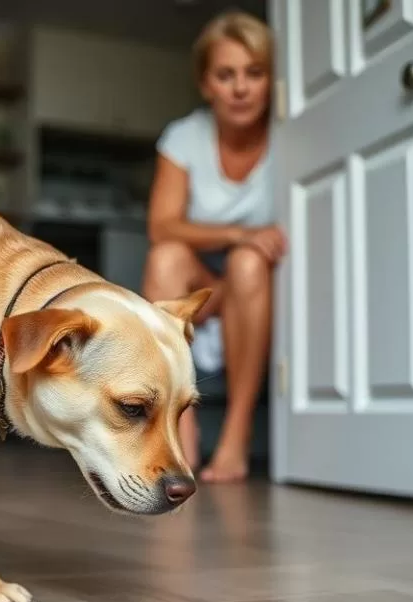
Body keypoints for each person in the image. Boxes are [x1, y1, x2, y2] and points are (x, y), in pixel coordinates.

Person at [142, 11, 285, 483]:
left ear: (271, 80)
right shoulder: (185, 137)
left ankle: (236, 437)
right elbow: (162, 226)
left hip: (261, 285)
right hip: (203, 288)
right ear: (206, 84)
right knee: (166, 257)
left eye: (254, 73)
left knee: (248, 264)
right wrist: (237, 233)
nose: (241, 88)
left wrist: (247, 247)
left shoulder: (295, 135)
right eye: (226, 75)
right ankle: (180, 426)